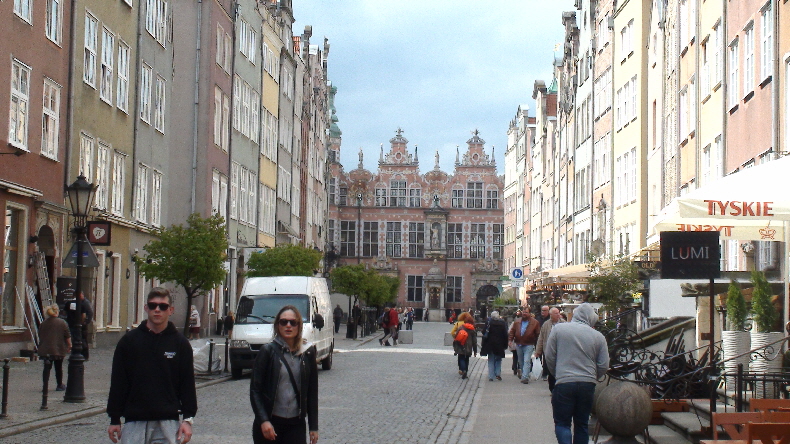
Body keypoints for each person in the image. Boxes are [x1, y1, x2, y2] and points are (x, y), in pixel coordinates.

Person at [107, 287, 197, 444]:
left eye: (162, 306)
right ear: (146, 308)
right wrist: (114, 418)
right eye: (153, 305)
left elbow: (187, 383)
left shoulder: (180, 344)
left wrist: (188, 419)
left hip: (168, 421)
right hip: (134, 421)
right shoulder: (129, 342)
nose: (157, 310)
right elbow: (118, 382)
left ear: (170, 310)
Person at [250, 305, 318, 444]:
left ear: (299, 326)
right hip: (271, 422)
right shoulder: (268, 351)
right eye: (283, 322)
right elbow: (255, 390)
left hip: (296, 424)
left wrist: (313, 426)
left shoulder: (307, 353)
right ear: (277, 325)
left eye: (293, 322)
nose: (288, 326)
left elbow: (312, 392)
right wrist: (263, 420)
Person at [544, 303, 609, 444]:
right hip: (587, 384)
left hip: (564, 382)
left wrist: (557, 374)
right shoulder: (598, 336)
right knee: (582, 424)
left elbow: (549, 356)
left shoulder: (558, 329)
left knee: (562, 423)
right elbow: (604, 364)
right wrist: (592, 376)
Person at [38, 304, 71, 391]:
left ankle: (45, 386)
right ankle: (59, 385)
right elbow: (67, 335)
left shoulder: (43, 323)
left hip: (45, 349)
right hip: (58, 349)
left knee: (46, 368)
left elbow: (40, 334)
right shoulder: (62, 323)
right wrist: (69, 345)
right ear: (57, 312)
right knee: (58, 367)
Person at [534, 307, 565, 391]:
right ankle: (552, 388)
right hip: (549, 350)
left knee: (559, 369)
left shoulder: (564, 323)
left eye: (558, 313)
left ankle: (559, 387)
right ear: (551, 315)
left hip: (561, 350)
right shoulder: (546, 324)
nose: (558, 315)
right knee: (550, 370)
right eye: (556, 313)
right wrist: (538, 351)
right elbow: (541, 338)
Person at [508, 308, 540, 384]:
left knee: (526, 360)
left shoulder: (535, 322)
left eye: (526, 312)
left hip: (529, 344)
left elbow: (538, 334)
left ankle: (525, 377)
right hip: (519, 343)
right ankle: (525, 374)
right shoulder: (517, 321)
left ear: (529, 313)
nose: (524, 314)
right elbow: (512, 331)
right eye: (523, 312)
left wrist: (537, 344)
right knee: (521, 361)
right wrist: (510, 340)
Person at [479, 311, 508, 381]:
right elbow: (505, 334)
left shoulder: (489, 323)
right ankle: (497, 374)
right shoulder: (503, 323)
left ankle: (491, 376)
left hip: (490, 344)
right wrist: (505, 344)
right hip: (499, 344)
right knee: (498, 359)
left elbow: (484, 332)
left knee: (491, 360)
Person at [451, 312, 477, 379]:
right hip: (469, 346)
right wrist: (475, 350)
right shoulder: (472, 329)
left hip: (461, 344)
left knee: (461, 357)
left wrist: (456, 341)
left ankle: (463, 370)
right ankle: (466, 370)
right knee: (466, 359)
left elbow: (455, 334)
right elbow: (474, 341)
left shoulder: (461, 326)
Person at [78, 292, 94, 361]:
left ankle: (85, 355)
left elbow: (90, 313)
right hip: (80, 324)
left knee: (83, 340)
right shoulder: (80, 302)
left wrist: (86, 322)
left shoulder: (85, 303)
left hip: (83, 325)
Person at [509, 310, 521, 376]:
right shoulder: (521, 323)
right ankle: (518, 367)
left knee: (515, 356)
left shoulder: (513, 323)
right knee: (519, 355)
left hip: (514, 342)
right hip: (518, 342)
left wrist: (510, 340)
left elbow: (509, 331)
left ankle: (514, 368)